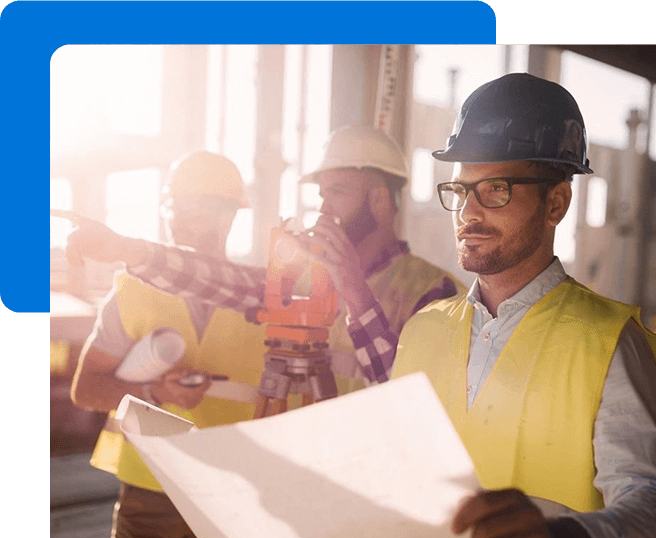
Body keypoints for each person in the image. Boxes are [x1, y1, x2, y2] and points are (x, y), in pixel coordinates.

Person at [391, 73, 656, 538]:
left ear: (557, 204)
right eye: (460, 190)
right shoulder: (422, 331)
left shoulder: (609, 343)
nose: (470, 213)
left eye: (496, 190)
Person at [66, 125, 466, 398]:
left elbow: (417, 397)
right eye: (321, 194)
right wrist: (127, 249)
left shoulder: (434, 292)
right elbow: (222, 280)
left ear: (379, 199)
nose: (323, 207)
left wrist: (355, 290)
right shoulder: (311, 281)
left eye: (337, 193)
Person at [70, 151, 266, 538]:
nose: (180, 215)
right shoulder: (133, 290)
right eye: (176, 204)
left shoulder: (262, 295)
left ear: (227, 215)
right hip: (148, 483)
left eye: (196, 204)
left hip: (228, 488)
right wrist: (153, 392)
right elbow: (86, 388)